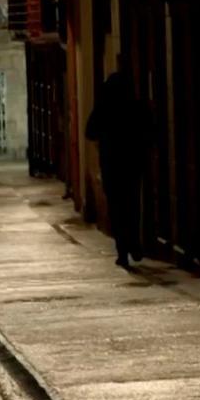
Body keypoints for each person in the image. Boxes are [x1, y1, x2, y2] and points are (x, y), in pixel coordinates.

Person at [85, 71, 152, 269]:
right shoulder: (137, 106)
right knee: (132, 206)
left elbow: (90, 132)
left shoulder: (104, 108)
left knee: (116, 208)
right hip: (132, 164)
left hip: (111, 165)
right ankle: (134, 244)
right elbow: (150, 130)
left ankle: (122, 251)